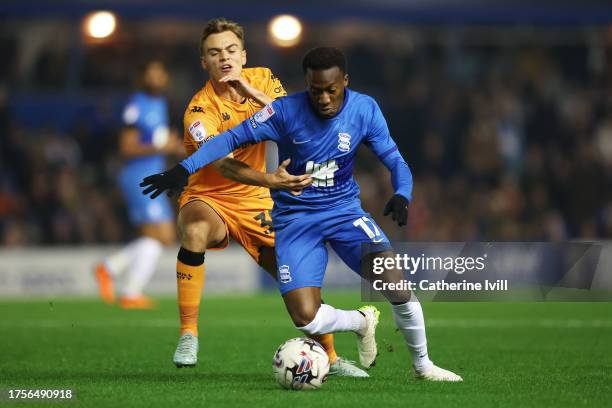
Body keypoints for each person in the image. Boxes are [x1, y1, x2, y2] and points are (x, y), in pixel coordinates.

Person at [141, 47, 463, 382]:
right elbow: (229, 139)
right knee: (306, 318)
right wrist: (184, 168)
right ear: (307, 84)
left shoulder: (365, 109)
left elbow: (395, 160)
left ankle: (424, 367)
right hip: (296, 221)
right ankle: (360, 321)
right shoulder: (283, 112)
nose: (324, 98)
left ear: (345, 82)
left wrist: (402, 193)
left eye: (331, 90)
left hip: (344, 213)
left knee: (396, 285)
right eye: (316, 90)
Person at [167, 18, 366, 377]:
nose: (224, 58)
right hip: (210, 195)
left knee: (296, 283)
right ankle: (188, 334)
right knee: (195, 229)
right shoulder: (199, 112)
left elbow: (295, 119)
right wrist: (271, 180)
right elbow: (224, 167)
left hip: (257, 201)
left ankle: (332, 360)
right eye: (214, 53)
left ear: (243, 55)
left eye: (230, 50)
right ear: (205, 63)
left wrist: (250, 93)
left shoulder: (262, 79)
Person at [94, 60, 183, 309]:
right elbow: (126, 147)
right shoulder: (137, 105)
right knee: (164, 235)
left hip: (151, 176)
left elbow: (155, 145)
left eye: (160, 73)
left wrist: (171, 149)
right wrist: (160, 147)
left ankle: (110, 271)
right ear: (143, 77)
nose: (157, 78)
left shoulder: (160, 104)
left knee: (156, 238)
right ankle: (128, 289)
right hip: (138, 177)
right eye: (151, 73)